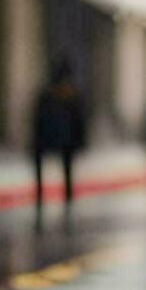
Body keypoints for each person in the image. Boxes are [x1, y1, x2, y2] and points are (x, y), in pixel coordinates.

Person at [32, 59, 87, 217]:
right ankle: (42, 197)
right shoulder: (50, 96)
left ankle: (67, 197)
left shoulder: (71, 97)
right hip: (51, 138)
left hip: (64, 140)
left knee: (67, 169)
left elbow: (79, 122)